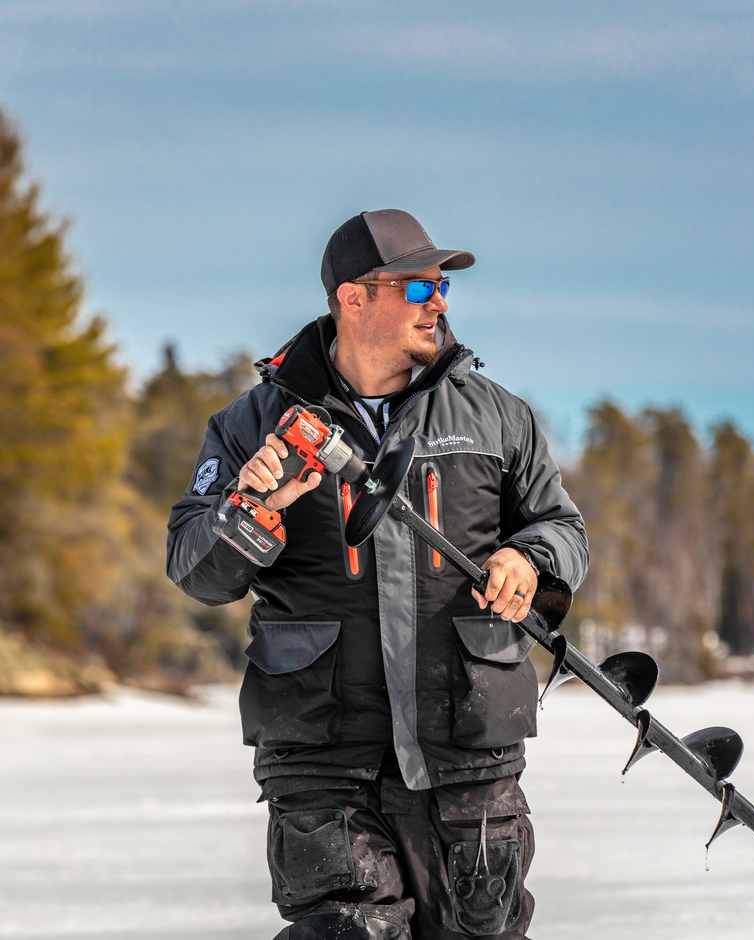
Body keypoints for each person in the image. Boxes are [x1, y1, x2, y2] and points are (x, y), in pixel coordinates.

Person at [167, 209, 589, 940]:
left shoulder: (495, 417)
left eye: (443, 286)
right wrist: (253, 511)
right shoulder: (251, 426)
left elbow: (564, 529)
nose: (442, 301)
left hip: (469, 755)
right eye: (420, 286)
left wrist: (530, 560)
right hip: (324, 758)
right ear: (354, 299)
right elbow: (196, 569)